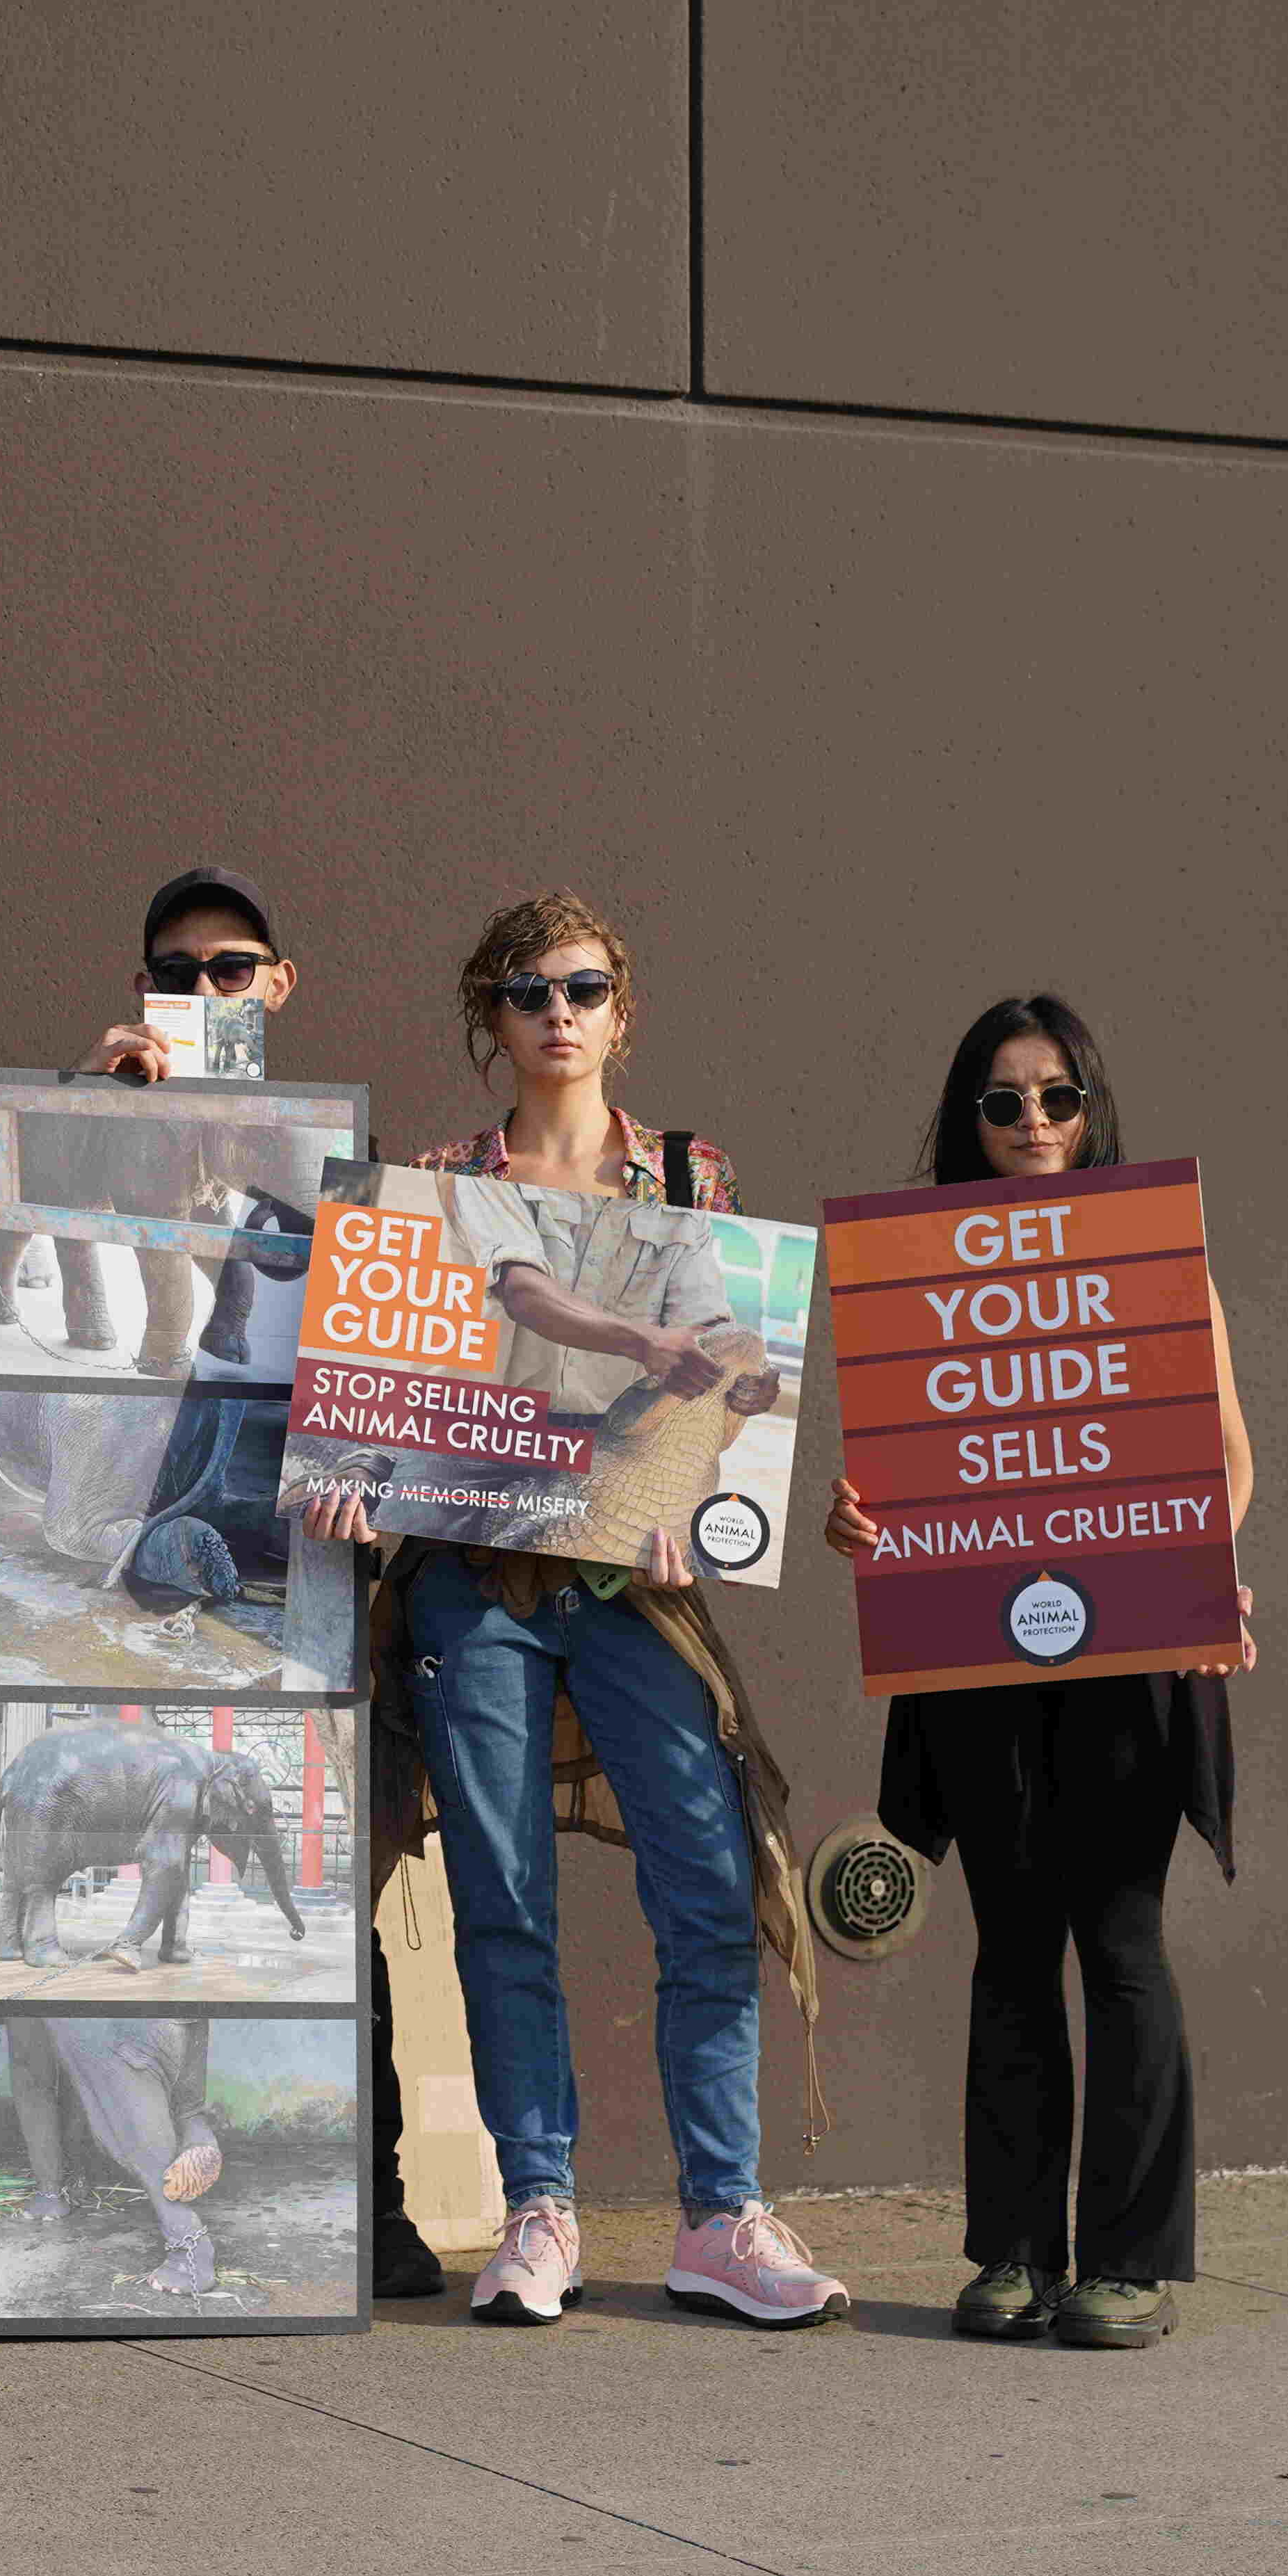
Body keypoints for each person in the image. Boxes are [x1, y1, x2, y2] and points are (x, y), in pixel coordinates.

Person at [303, 893, 847, 2333]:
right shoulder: (436, 1182)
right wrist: (360, 1486)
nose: (560, 1011)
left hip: (632, 1570)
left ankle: (721, 2210)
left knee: (708, 1877)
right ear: (491, 1018)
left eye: (586, 986)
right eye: (530, 989)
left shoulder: (688, 1171)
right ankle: (538, 2203)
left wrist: (715, 1444)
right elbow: (511, 1299)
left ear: (623, 1009)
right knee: (502, 1897)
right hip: (476, 1570)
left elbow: (737, 1349)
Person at [823, 995, 1255, 2351]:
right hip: (977, 1656)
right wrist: (859, 1522)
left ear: (1091, 1105)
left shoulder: (1152, 1250)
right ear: (968, 1117)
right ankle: (1014, 2246)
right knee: (1011, 1951)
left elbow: (1229, 1456)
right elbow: (910, 1473)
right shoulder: (917, 1269)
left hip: (1131, 1644)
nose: (1032, 1123)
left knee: (1119, 1945)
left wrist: (1195, 1569)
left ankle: (1127, 2261)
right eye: (1002, 1100)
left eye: (1056, 1095)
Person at [67, 869, 443, 2304]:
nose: (209, 989)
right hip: (182, 1460)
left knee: (334, 1883)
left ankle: (382, 2201)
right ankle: (143, 2180)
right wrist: (110, 1112)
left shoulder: (352, 1150)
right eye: (181, 968)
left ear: (279, 983)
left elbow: (415, 1357)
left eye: (233, 968)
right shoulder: (112, 1114)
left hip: (320, 1517)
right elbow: (64, 1262)